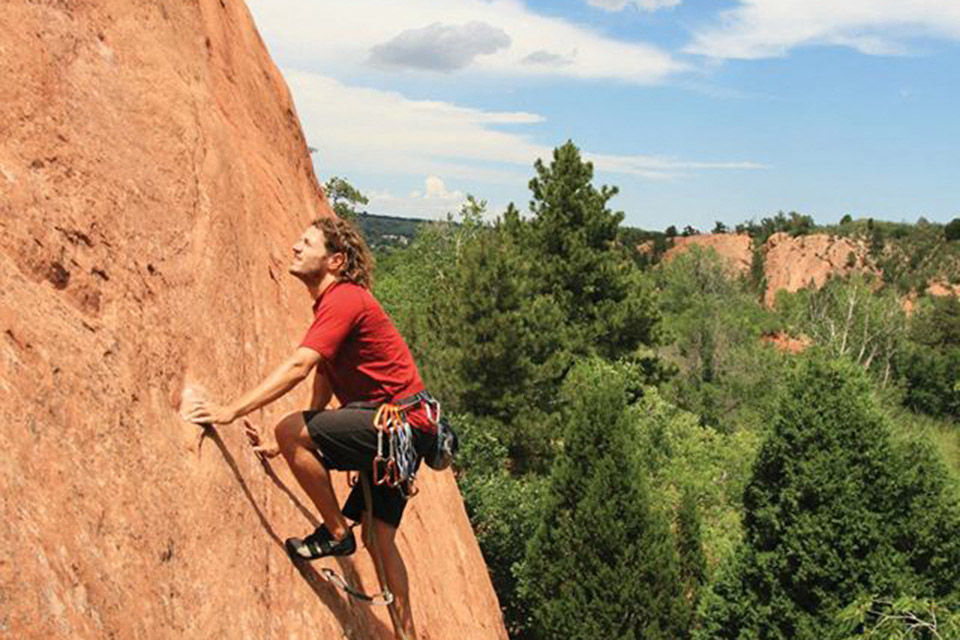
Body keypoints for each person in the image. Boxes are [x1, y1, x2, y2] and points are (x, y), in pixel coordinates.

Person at [183, 216, 436, 640]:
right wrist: (294, 438)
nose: (295, 247)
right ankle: (406, 637)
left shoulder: (344, 299)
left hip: (395, 426)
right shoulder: (338, 302)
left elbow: (302, 364)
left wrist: (232, 410)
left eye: (307, 242)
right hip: (406, 430)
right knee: (379, 537)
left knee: (290, 430)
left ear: (335, 260)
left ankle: (337, 533)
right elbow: (323, 371)